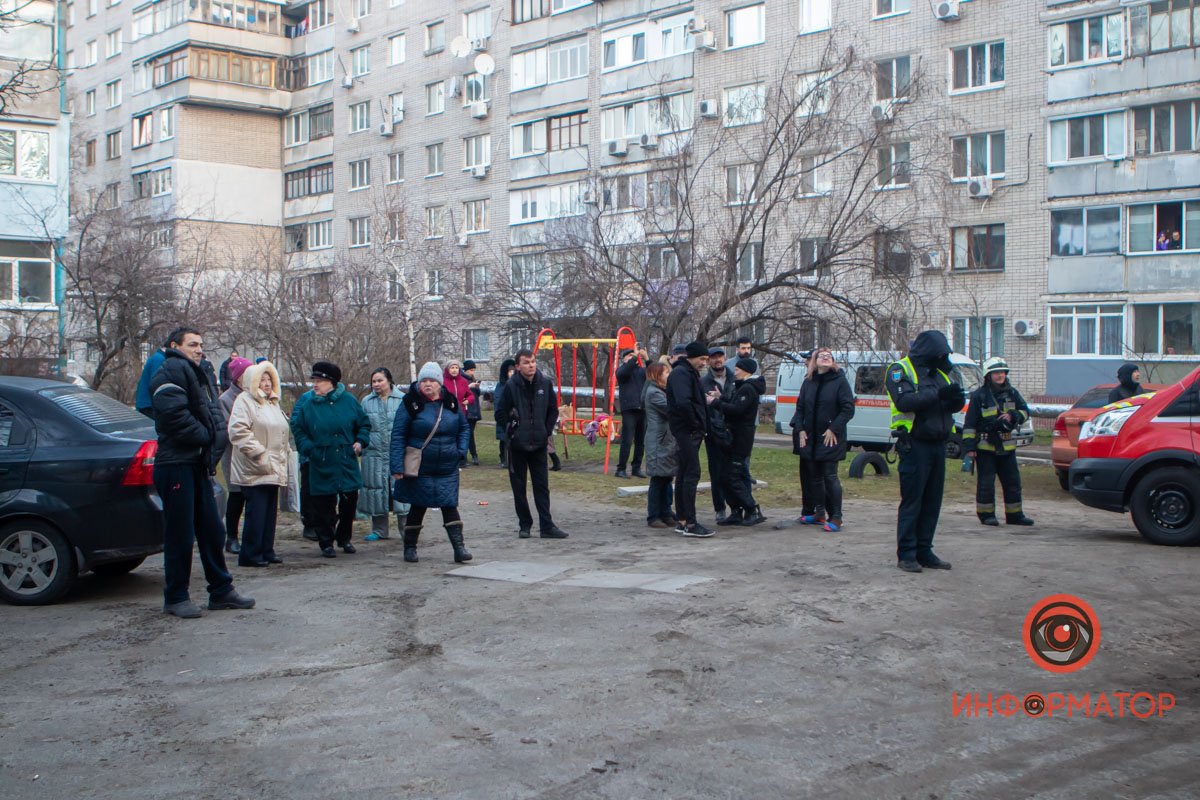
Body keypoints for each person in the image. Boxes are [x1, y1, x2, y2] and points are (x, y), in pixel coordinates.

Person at [150, 325, 255, 618]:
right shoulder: (169, 371)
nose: (199, 349)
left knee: (211, 529)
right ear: (174, 345)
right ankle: (176, 597)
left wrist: (210, 439)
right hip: (176, 465)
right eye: (193, 344)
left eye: (200, 345)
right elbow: (175, 418)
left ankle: (221, 591)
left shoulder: (197, 372)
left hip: (196, 464)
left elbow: (209, 413)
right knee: (180, 534)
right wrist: (208, 436)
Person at [885, 330, 964, 574]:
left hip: (938, 444)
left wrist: (955, 399)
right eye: (939, 353)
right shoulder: (900, 370)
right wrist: (938, 394)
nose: (942, 358)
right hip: (914, 444)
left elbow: (950, 403)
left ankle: (924, 550)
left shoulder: (939, 372)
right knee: (913, 501)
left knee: (932, 501)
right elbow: (905, 402)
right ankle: (907, 553)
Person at [389, 362, 473, 563]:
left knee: (449, 504)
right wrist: (396, 466)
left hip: (447, 466)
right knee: (418, 506)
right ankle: (410, 548)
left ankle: (459, 549)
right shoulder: (410, 403)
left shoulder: (451, 402)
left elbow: (464, 428)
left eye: (431, 381)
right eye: (423, 381)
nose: (427, 384)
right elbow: (398, 435)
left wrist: (460, 451)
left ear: (439, 383)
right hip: (420, 466)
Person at [290, 361, 371, 558]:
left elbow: (364, 424)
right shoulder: (309, 404)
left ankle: (345, 538)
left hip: (345, 459)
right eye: (314, 380)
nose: (315, 384)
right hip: (321, 459)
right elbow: (298, 429)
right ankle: (326, 541)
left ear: (332, 382)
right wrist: (309, 449)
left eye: (320, 380)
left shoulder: (349, 401)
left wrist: (360, 442)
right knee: (323, 503)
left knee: (349, 500)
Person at [495, 349, 569, 539]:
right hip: (518, 445)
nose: (531, 365)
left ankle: (547, 526)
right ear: (518, 366)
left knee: (542, 485)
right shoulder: (511, 386)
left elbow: (553, 410)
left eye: (533, 361)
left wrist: (545, 430)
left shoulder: (544, 383)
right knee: (519, 487)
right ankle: (525, 525)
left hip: (539, 443)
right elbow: (500, 413)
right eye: (526, 362)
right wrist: (513, 432)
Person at [227, 360, 291, 567]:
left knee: (269, 511)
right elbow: (238, 431)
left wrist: (284, 453)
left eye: (269, 379)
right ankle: (251, 553)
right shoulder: (244, 401)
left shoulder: (273, 402)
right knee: (256, 511)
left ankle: (266, 548)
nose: (266, 383)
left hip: (274, 465)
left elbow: (280, 431)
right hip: (254, 466)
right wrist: (259, 454)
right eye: (262, 380)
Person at [964, 357, 1034, 527]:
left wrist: (1014, 415)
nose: (1000, 375)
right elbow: (970, 424)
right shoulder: (979, 396)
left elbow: (1025, 411)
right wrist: (969, 448)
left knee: (1013, 483)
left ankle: (1015, 515)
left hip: (1007, 447)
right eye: (996, 372)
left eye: (1002, 372)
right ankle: (986, 515)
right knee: (986, 484)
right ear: (988, 375)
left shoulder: (1012, 393)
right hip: (986, 447)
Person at [791, 348, 855, 532]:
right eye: (821, 356)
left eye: (829, 356)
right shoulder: (808, 381)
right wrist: (800, 428)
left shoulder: (840, 381)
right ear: (814, 361)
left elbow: (848, 409)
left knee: (830, 476)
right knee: (815, 478)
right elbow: (800, 407)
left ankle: (836, 517)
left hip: (830, 438)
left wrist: (833, 428)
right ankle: (819, 513)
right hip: (810, 438)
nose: (826, 358)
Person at [666, 341, 713, 537]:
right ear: (692, 356)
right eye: (702, 359)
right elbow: (684, 402)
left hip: (689, 430)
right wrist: (695, 424)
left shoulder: (687, 373)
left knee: (685, 474)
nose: (704, 363)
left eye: (706, 359)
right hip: (686, 430)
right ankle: (691, 523)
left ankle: (683, 520)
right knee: (691, 473)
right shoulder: (681, 374)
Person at [713, 357, 767, 526]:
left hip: (740, 439)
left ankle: (751, 509)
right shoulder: (743, 388)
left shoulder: (748, 389)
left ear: (746, 371)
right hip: (734, 437)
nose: (734, 371)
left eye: (737, 369)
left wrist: (715, 402)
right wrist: (721, 398)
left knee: (732, 476)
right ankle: (736, 510)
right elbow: (734, 404)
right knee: (724, 476)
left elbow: (737, 410)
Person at [360, 367, 409, 542]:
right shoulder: (366, 402)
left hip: (397, 454)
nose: (376, 384)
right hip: (374, 455)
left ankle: (407, 529)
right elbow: (361, 427)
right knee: (376, 491)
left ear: (389, 381)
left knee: (402, 492)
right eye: (373, 381)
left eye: (380, 380)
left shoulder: (403, 400)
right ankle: (380, 530)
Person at [218, 356, 253, 554]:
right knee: (237, 495)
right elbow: (227, 429)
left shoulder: (255, 396)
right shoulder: (226, 399)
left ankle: (250, 536)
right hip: (234, 456)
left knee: (252, 498)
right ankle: (231, 536)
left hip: (253, 457)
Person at [701, 347, 736, 522]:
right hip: (714, 431)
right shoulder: (704, 382)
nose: (717, 360)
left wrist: (720, 398)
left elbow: (737, 402)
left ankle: (738, 507)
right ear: (708, 361)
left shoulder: (734, 378)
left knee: (737, 470)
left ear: (725, 358)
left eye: (720, 356)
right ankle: (719, 508)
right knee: (716, 472)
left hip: (734, 429)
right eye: (713, 357)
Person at [641, 362, 677, 528]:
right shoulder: (654, 393)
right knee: (658, 479)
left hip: (666, 440)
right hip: (658, 441)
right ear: (657, 376)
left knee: (667, 477)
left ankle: (666, 511)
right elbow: (671, 410)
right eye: (666, 373)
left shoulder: (662, 391)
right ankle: (653, 515)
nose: (669, 376)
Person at [615, 344, 649, 479]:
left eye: (634, 356)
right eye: (629, 356)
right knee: (627, 440)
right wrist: (635, 356)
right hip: (629, 409)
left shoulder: (642, 371)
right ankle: (621, 469)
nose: (633, 358)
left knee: (641, 441)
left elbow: (654, 373)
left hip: (642, 408)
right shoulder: (621, 370)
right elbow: (626, 371)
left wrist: (647, 358)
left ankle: (636, 468)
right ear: (624, 359)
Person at [442, 360, 476, 467]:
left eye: (456, 368)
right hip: (447, 413)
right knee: (449, 436)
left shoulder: (463, 381)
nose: (454, 370)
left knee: (461, 435)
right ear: (447, 369)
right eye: (452, 368)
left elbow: (471, 395)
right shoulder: (442, 381)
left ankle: (462, 459)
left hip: (461, 413)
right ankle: (448, 458)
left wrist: (467, 401)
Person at [134, 343, 167, 418]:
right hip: (149, 406)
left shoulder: (157, 357)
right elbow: (157, 384)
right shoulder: (159, 359)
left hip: (147, 404)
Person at [494, 358, 516, 468]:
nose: (511, 373)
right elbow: (498, 401)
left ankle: (513, 458)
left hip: (515, 416)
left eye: (513, 371)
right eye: (509, 371)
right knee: (503, 439)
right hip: (503, 416)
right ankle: (503, 458)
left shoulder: (517, 384)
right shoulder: (500, 385)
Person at [462, 360, 482, 466]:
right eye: (471, 370)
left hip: (473, 410)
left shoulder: (472, 379)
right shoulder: (462, 380)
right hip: (466, 410)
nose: (472, 372)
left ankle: (472, 455)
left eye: (473, 370)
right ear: (466, 370)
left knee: (470, 434)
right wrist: (470, 386)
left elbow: (476, 395)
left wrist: (477, 387)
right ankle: (467, 456)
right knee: (468, 434)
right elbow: (462, 392)